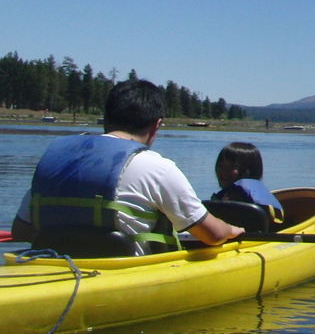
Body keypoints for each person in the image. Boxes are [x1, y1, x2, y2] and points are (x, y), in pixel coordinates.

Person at [10, 78, 245, 255]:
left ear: (106, 118)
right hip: (122, 274)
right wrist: (231, 230)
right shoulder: (157, 167)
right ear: (157, 125)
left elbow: (20, 230)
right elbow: (213, 235)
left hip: (50, 266)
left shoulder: (56, 159)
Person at [211, 141, 285, 228]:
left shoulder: (237, 195)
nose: (224, 171)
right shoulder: (253, 192)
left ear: (250, 171)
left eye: (233, 167)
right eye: (220, 166)